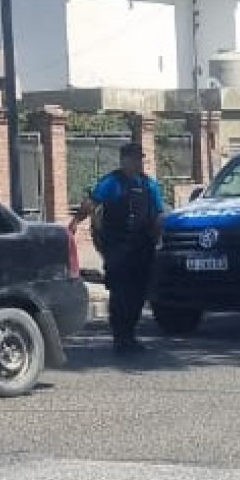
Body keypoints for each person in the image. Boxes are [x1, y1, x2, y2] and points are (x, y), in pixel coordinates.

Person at [68, 141, 165, 354]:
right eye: (134, 158)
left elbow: (159, 214)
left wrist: (158, 238)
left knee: (138, 293)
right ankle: (120, 337)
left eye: (140, 158)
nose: (138, 162)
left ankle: (130, 335)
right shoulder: (112, 182)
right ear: (124, 160)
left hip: (142, 246)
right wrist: (75, 222)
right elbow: (91, 203)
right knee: (121, 292)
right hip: (118, 247)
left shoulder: (149, 185)